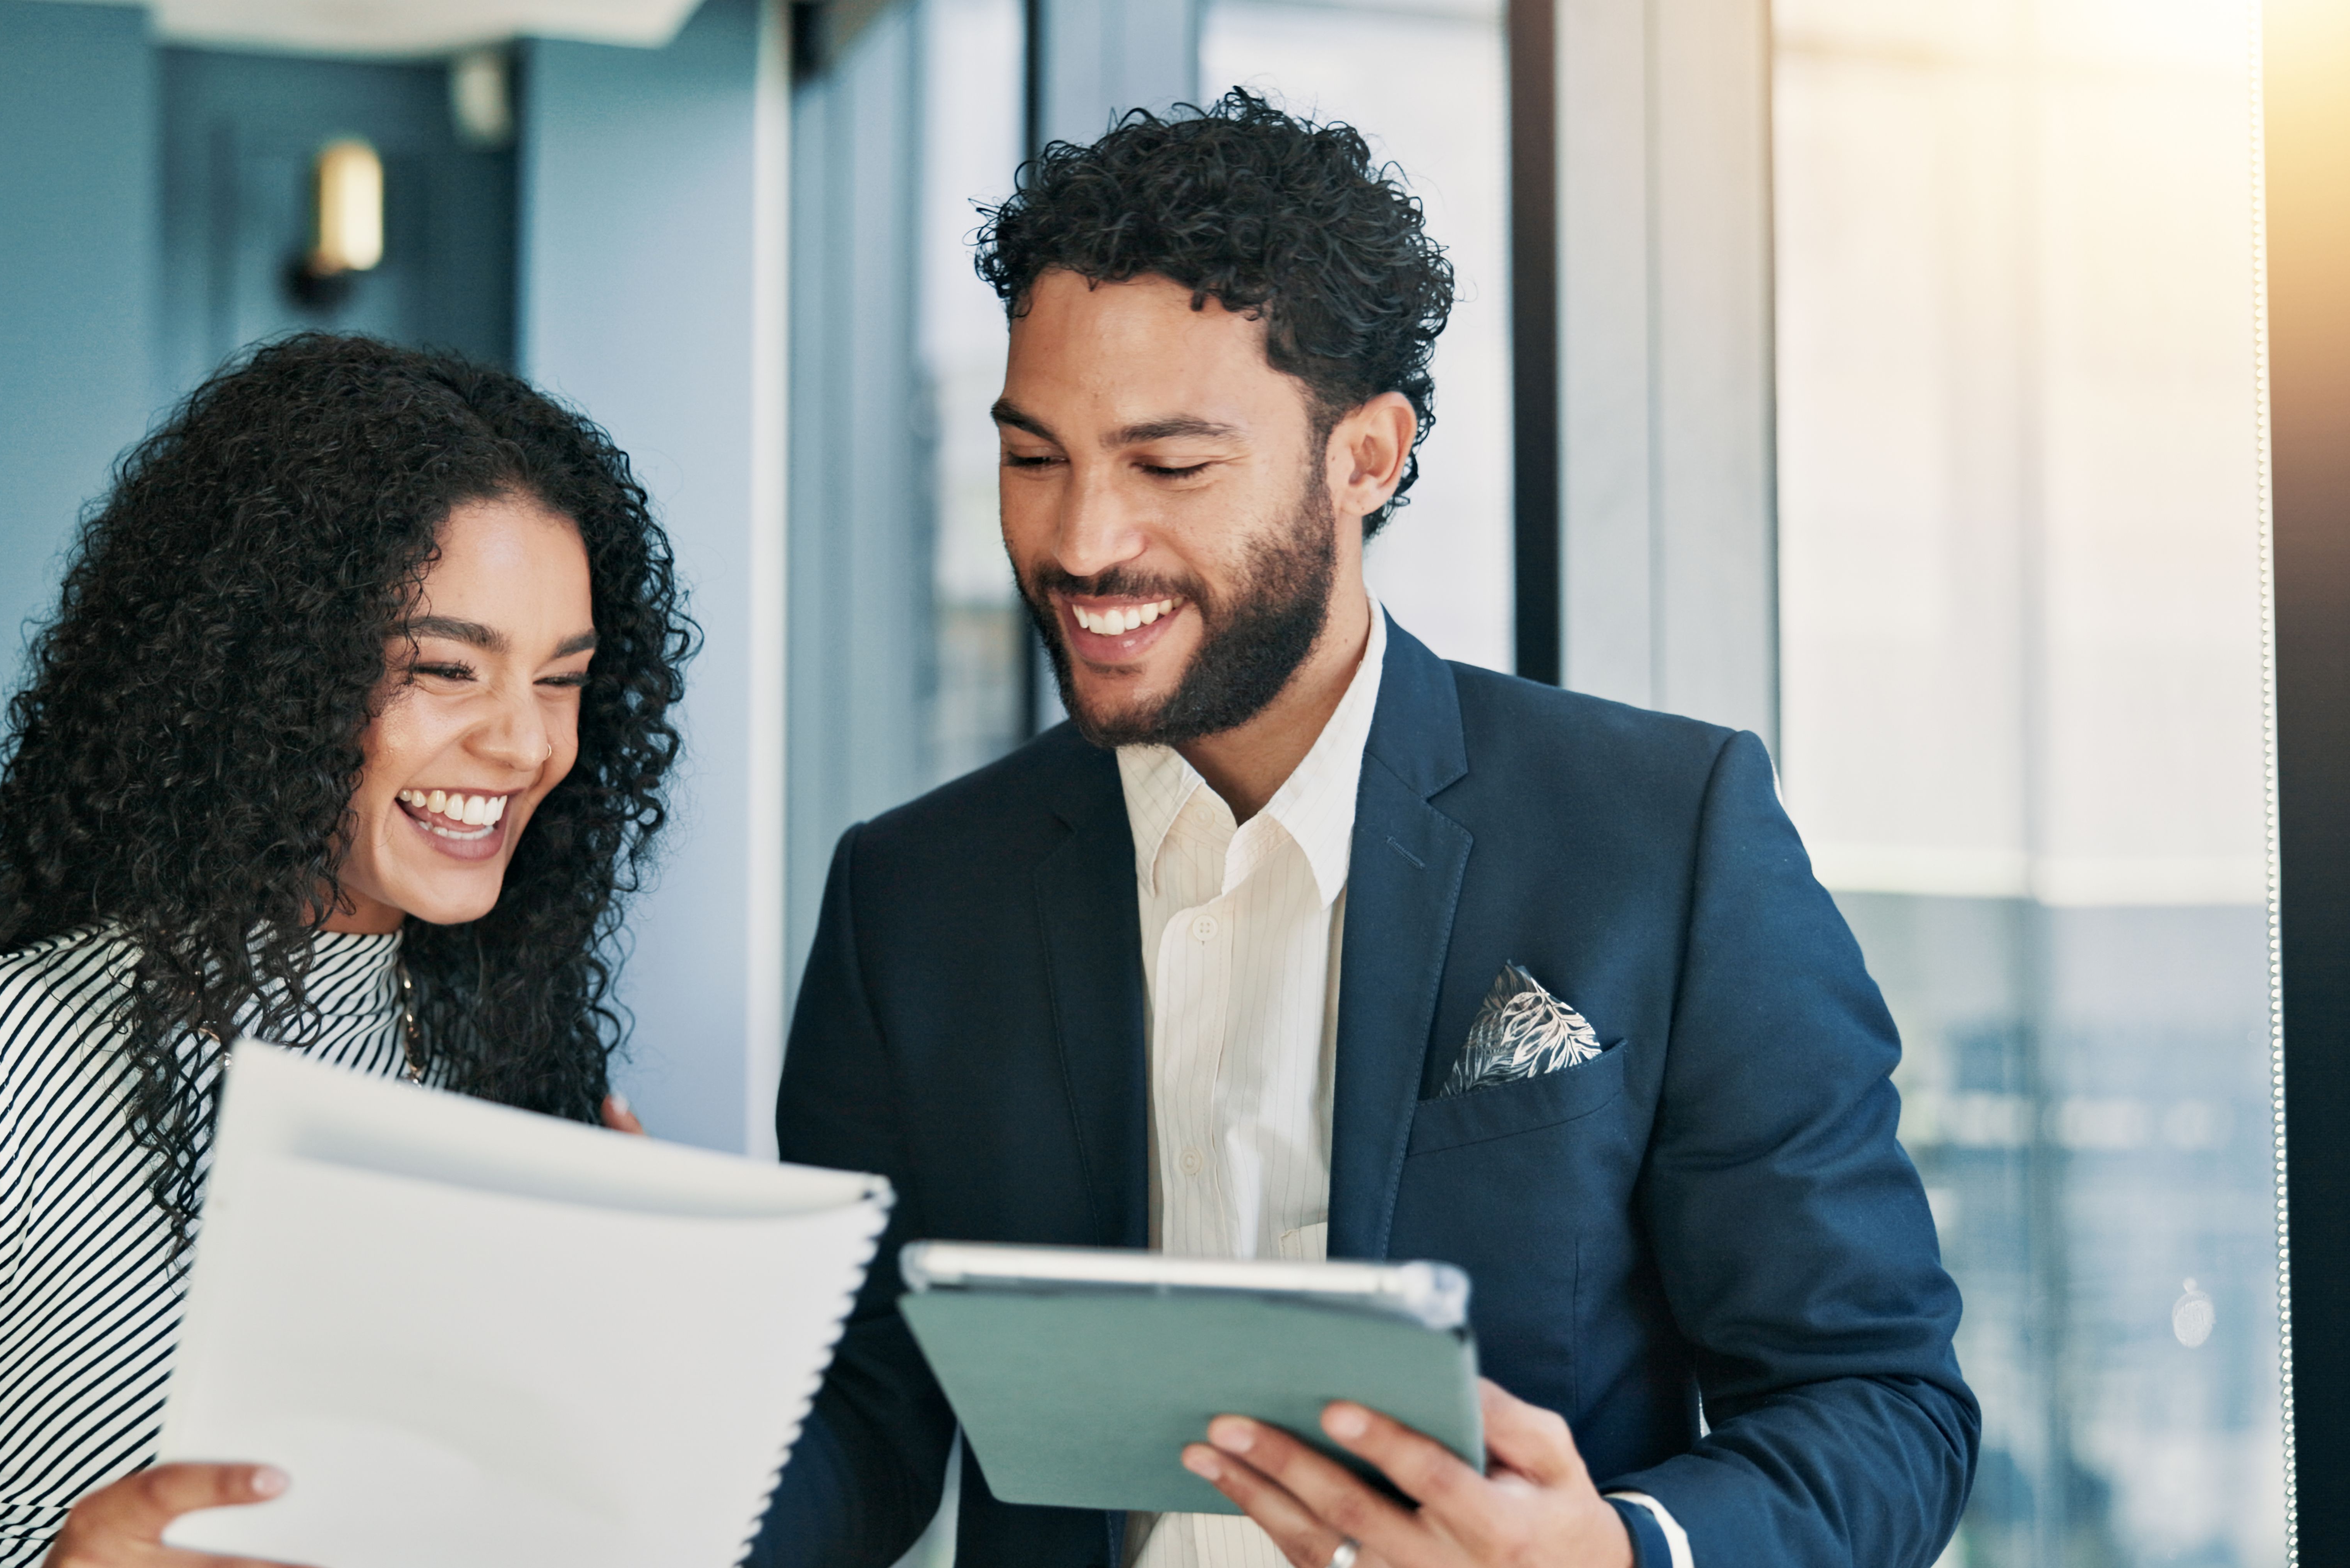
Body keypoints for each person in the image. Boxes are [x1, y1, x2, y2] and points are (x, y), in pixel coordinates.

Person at [755, 93, 1975, 1568]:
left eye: (1169, 466)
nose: (1081, 541)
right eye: (1035, 458)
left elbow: (1882, 1402)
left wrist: (1618, 1553)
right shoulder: (911, 895)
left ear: (1368, 457)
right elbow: (863, 1415)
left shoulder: (1669, 836)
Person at [0, 334, 693, 1568]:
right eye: (445, 668)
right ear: (272, 670)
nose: (525, 745)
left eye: (562, 680)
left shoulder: (536, 1077)